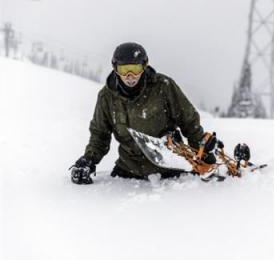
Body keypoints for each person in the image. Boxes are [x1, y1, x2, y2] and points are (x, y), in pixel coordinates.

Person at [70, 42, 205, 184]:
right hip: (129, 170)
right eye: (124, 70)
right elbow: (100, 134)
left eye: (135, 69)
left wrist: (201, 154)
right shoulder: (107, 97)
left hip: (169, 170)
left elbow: (190, 122)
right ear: (115, 69)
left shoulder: (163, 87)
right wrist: (89, 159)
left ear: (144, 66)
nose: (130, 76)